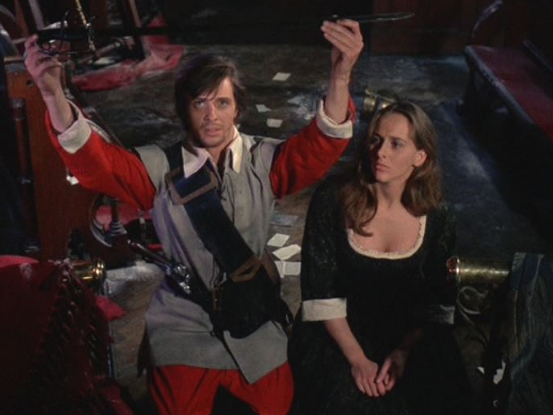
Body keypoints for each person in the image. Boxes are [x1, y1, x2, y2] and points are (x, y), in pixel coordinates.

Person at [24, 18, 363, 415]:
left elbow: (322, 143)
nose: (211, 116)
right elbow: (95, 163)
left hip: (253, 319)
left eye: (222, 103)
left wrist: (341, 74)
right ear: (184, 109)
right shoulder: (157, 167)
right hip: (182, 322)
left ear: (238, 108)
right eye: (199, 103)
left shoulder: (264, 160)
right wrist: (52, 93)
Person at [289, 102, 475, 415]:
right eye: (376, 140)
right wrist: (357, 360)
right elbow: (319, 292)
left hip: (406, 333)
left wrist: (404, 350)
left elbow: (437, 300)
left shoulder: (437, 214)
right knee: (344, 400)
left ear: (420, 157)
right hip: (340, 331)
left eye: (396, 144)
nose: (380, 152)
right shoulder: (333, 199)